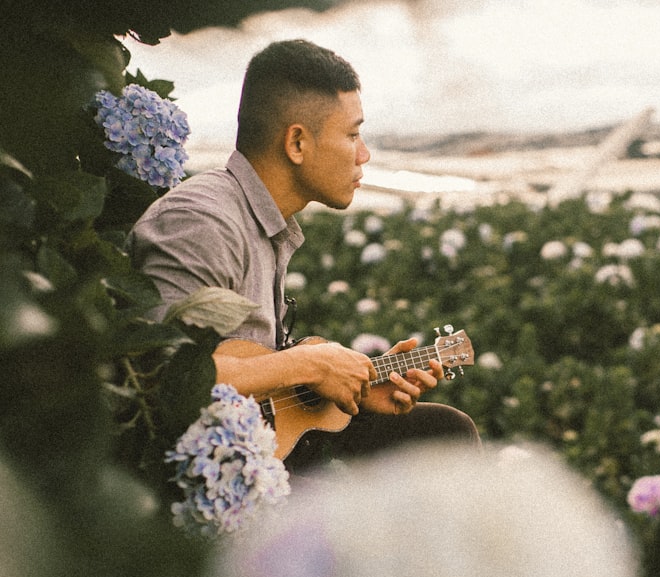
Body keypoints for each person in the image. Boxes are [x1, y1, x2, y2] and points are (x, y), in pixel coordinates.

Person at [127, 39, 480, 473]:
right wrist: (308, 362)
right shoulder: (202, 221)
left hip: (259, 447)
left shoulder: (264, 220)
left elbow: (263, 376)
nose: (364, 154)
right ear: (296, 143)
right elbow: (162, 379)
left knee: (441, 432)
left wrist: (355, 391)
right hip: (202, 472)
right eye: (352, 134)